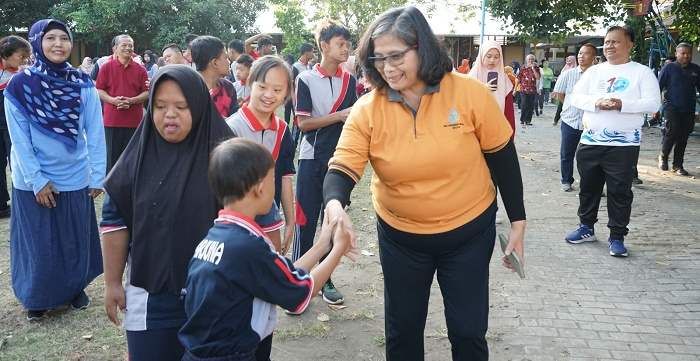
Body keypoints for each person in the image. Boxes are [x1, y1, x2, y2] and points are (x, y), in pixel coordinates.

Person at [324, 7, 526, 360]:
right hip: (401, 239)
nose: (388, 67)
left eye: (397, 56)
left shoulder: (468, 93)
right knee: (402, 332)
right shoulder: (368, 109)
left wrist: (518, 221)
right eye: (379, 58)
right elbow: (342, 167)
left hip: (468, 234)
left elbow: (502, 156)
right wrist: (335, 205)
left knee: (467, 332)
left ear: (423, 48)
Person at [100, 65, 233, 361]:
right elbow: (114, 222)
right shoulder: (137, 158)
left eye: (181, 106)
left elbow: (257, 222)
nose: (169, 114)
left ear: (198, 108)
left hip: (215, 296)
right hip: (152, 295)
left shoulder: (227, 155)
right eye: (159, 106)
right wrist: (111, 283)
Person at [178, 138, 353, 361]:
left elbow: (283, 274)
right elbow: (301, 293)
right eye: (273, 178)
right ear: (261, 188)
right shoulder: (248, 246)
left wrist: (323, 244)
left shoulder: (216, 238)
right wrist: (338, 249)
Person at [4, 19, 106, 321]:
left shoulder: (83, 83)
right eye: (51, 38)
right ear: (38, 42)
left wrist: (98, 173)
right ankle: (37, 296)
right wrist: (38, 180)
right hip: (31, 177)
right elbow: (19, 138)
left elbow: (95, 130)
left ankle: (73, 288)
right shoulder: (19, 85)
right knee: (38, 240)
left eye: (64, 38)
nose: (59, 44)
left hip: (74, 173)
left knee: (72, 238)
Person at [565, 26, 660, 257]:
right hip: (591, 141)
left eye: (615, 42)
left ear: (630, 44)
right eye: (607, 42)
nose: (609, 46)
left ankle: (617, 236)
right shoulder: (594, 72)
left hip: (623, 145)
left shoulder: (641, 72)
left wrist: (622, 104)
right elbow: (576, 97)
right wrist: (598, 102)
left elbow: (653, 104)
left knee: (619, 191)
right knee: (588, 187)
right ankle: (586, 227)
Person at [292, 19, 357, 306]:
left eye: (347, 44)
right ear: (324, 46)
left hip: (339, 161)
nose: (346, 49)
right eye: (340, 44)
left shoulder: (350, 80)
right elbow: (303, 123)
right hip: (310, 158)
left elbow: (353, 119)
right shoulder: (304, 79)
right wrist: (339, 115)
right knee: (305, 221)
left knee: (332, 220)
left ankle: (325, 278)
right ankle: (296, 280)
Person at [226, 56, 296, 255]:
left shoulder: (282, 130)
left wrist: (290, 221)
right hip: (235, 219)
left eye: (277, 90)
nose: (269, 95)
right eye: (263, 87)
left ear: (286, 93)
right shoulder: (232, 127)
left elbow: (284, 178)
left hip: (269, 215)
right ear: (250, 83)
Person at [96, 34, 149, 171]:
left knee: (133, 159)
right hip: (112, 121)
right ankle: (110, 190)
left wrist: (132, 101)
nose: (128, 48)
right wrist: (112, 100)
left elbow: (147, 92)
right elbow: (99, 90)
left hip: (134, 121)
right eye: (124, 45)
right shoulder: (106, 67)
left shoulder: (141, 69)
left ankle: (130, 190)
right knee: (112, 159)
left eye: (130, 45)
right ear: (115, 48)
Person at [551, 44, 596, 192]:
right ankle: (566, 180)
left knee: (590, 156)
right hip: (570, 120)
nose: (581, 56)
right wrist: (571, 105)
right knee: (567, 153)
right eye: (580, 53)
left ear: (593, 58)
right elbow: (559, 93)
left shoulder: (597, 76)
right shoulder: (568, 74)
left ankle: (590, 184)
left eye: (586, 54)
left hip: (590, 123)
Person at [0, 35, 32, 218]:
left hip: (14, 124)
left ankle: (23, 201)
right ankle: (1, 205)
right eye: (21, 56)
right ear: (7, 54)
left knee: (18, 161)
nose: (24, 60)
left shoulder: (22, 73)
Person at [657, 42, 700, 176]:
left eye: (688, 53)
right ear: (676, 54)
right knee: (672, 132)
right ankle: (663, 156)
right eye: (683, 53)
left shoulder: (696, 69)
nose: (686, 56)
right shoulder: (669, 68)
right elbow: (657, 87)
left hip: (689, 107)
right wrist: (655, 108)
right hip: (671, 106)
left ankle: (678, 165)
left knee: (683, 136)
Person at [468, 40, 516, 137]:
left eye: (496, 57)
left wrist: (509, 135)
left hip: (497, 131)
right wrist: (482, 89)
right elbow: (464, 103)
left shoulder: (505, 80)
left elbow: (509, 112)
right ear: (482, 56)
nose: (492, 60)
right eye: (488, 56)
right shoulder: (471, 77)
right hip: (474, 130)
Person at [190, 35, 239, 118]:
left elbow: (234, 121)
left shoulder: (228, 87)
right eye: (226, 58)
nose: (229, 62)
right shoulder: (190, 90)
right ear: (215, 63)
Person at [287, 43, 315, 145]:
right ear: (306, 52)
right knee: (297, 125)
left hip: (308, 101)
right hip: (298, 102)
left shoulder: (309, 66)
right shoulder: (295, 67)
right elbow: (291, 85)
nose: (313, 53)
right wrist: (294, 102)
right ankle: (292, 145)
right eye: (312, 51)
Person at [554, 55, 578, 125]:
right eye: (568, 59)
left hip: (571, 92)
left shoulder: (576, 69)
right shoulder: (564, 69)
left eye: (570, 60)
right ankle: (556, 119)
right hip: (563, 91)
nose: (568, 61)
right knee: (561, 105)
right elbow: (560, 79)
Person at [517, 54, 540, 126]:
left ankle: (528, 121)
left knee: (530, 106)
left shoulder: (536, 68)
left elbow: (538, 77)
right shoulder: (523, 67)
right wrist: (515, 88)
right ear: (526, 60)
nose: (530, 60)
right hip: (523, 89)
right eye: (529, 59)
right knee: (524, 104)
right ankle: (522, 120)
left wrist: (533, 68)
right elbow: (519, 78)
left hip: (532, 90)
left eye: (532, 59)